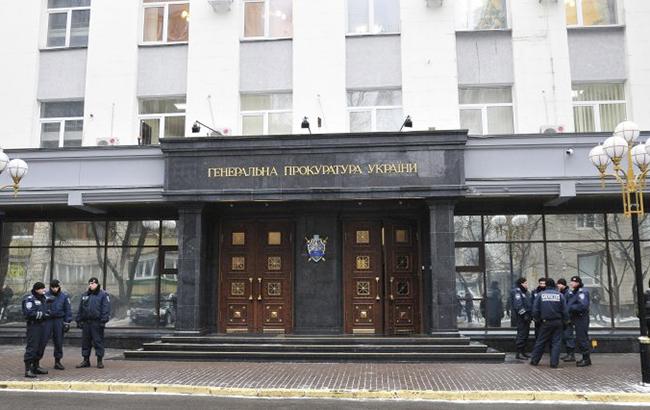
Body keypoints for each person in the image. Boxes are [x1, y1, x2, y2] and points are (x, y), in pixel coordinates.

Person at [529, 278, 569, 369]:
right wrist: (566, 321)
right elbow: (565, 311)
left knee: (540, 342)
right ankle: (554, 363)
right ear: (554, 285)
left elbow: (535, 310)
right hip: (558, 322)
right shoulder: (560, 295)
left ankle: (534, 360)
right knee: (556, 343)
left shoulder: (540, 295)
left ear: (546, 285)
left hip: (545, 322)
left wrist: (537, 320)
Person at [76, 277, 111, 369]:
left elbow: (106, 308)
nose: (91, 285)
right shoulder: (85, 295)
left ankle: (99, 360)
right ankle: (86, 360)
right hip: (86, 322)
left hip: (97, 322)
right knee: (85, 342)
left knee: (98, 341)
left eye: (93, 283)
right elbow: (81, 308)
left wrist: (103, 320)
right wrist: (79, 320)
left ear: (97, 284)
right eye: (90, 283)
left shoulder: (103, 295)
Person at [22, 282, 51, 378]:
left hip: (43, 326)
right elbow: (29, 313)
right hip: (34, 326)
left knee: (41, 346)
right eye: (42, 288)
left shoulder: (43, 298)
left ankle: (36, 366)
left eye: (44, 288)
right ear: (36, 289)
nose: (44, 290)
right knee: (32, 346)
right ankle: (28, 369)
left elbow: (45, 309)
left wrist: (47, 313)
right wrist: (43, 315)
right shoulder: (30, 299)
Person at [42, 279, 72, 370]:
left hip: (59, 320)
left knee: (58, 341)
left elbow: (67, 309)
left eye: (56, 287)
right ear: (50, 287)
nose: (55, 289)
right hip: (48, 320)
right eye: (53, 287)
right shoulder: (45, 296)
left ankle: (57, 361)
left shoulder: (64, 296)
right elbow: (41, 307)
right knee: (43, 340)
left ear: (59, 287)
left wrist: (67, 322)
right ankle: (36, 362)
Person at [567, 275, 591, 367]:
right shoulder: (574, 292)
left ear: (578, 283)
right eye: (571, 281)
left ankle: (586, 359)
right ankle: (585, 358)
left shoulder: (582, 292)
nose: (571, 283)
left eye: (573, 282)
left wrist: (570, 308)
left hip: (581, 318)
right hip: (576, 317)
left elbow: (583, 306)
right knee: (580, 338)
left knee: (582, 338)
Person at [511, 277, 532, 360]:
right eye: (525, 283)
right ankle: (519, 353)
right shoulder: (517, 292)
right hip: (521, 317)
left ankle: (523, 352)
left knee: (525, 334)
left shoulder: (525, 292)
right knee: (522, 335)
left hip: (526, 317)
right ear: (521, 284)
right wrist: (524, 314)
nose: (527, 284)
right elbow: (518, 305)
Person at [556, 278, 576, 362]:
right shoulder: (562, 293)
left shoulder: (568, 293)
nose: (558, 286)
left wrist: (567, 318)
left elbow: (568, 307)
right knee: (565, 336)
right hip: (563, 319)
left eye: (559, 284)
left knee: (568, 336)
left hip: (568, 319)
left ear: (562, 284)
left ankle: (571, 355)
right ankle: (568, 354)